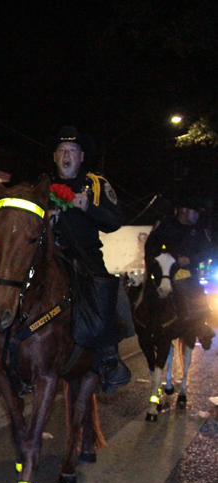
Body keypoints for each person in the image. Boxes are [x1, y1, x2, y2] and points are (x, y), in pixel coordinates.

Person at [48, 125, 130, 392]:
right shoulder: (43, 184)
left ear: (81, 157)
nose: (66, 155)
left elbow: (115, 221)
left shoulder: (95, 184)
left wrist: (89, 208)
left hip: (86, 256)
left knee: (104, 290)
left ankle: (109, 358)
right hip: (50, 254)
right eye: (61, 150)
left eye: (72, 150)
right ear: (55, 156)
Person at [144, 196, 215, 348]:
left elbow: (207, 250)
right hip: (163, 272)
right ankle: (145, 325)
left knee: (198, 298)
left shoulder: (199, 229)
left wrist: (190, 259)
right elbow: (150, 246)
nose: (197, 215)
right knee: (144, 293)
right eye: (194, 211)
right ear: (184, 210)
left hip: (188, 273)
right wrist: (160, 258)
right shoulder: (166, 225)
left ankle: (201, 327)